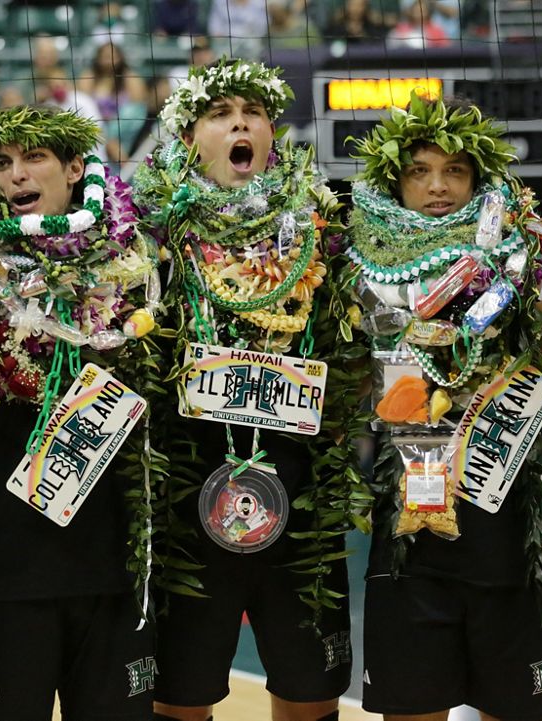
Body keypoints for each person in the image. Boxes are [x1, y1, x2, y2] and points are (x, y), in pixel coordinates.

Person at [348, 93, 542, 721]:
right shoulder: (355, 276)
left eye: (455, 170)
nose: (438, 187)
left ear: (479, 180)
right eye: (419, 170)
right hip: (408, 538)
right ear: (395, 180)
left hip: (510, 536)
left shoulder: (534, 276)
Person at [131, 57, 368, 721]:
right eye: (219, 113)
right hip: (187, 501)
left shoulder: (321, 231)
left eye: (253, 113)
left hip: (302, 498)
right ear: (189, 140)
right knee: (179, 697)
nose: (239, 122)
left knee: (310, 692)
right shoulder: (154, 239)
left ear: (269, 135)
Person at [0, 104, 162, 720]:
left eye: (35, 158)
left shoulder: (137, 253)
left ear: (76, 169)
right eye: (3, 163)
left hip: (114, 552)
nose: (17, 175)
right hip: (16, 553)